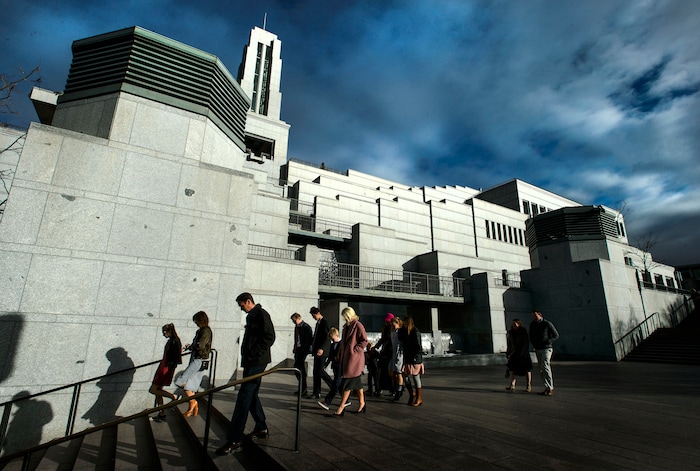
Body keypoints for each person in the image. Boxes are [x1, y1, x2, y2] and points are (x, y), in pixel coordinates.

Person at [216, 292, 276, 456]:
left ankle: (235, 439)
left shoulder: (261, 314)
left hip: (257, 362)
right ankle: (261, 426)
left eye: (242, 305)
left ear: (248, 301)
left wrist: (255, 353)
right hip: (251, 362)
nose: (241, 309)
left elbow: (270, 337)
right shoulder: (252, 316)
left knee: (244, 396)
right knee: (251, 394)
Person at [174, 311, 212, 417]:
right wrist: (190, 346)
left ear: (200, 320)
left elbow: (200, 345)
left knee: (180, 381)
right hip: (198, 358)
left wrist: (191, 347)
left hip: (199, 359)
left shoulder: (205, 331)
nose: (195, 323)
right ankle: (192, 407)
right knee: (191, 384)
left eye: (196, 321)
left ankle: (193, 402)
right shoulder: (201, 331)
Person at [332, 307, 368, 416]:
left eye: (345, 316)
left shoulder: (358, 325)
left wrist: (354, 350)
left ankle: (342, 407)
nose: (344, 319)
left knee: (347, 384)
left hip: (354, 360)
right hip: (347, 358)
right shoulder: (346, 326)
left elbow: (364, 340)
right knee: (357, 384)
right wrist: (340, 353)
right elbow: (343, 342)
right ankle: (362, 403)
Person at [149, 323, 182, 421]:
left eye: (165, 331)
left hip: (166, 368)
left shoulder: (174, 341)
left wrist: (169, 368)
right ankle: (162, 413)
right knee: (158, 391)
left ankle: (174, 397)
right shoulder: (173, 340)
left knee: (153, 389)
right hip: (164, 366)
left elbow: (175, 357)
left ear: (170, 331)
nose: (164, 334)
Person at [317, 327, 350, 410]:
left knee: (335, 384)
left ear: (336, 335)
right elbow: (330, 356)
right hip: (335, 366)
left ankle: (328, 401)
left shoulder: (342, 344)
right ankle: (346, 400)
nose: (332, 339)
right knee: (339, 385)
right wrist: (326, 364)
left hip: (340, 366)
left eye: (333, 337)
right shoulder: (333, 345)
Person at [529, 310, 559, 396]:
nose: (534, 318)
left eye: (535, 316)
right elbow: (531, 335)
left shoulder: (547, 324)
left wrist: (548, 341)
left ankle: (550, 387)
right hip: (538, 348)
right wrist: (534, 343)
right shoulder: (533, 324)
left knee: (545, 365)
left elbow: (556, 335)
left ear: (540, 315)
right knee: (541, 368)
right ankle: (546, 387)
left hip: (547, 348)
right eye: (533, 316)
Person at [398, 315, 424, 406]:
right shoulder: (405, 332)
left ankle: (418, 398)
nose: (403, 325)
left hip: (415, 358)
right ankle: (411, 394)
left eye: (404, 323)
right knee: (405, 376)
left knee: (415, 377)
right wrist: (400, 329)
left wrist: (416, 356)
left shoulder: (415, 331)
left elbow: (418, 346)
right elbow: (400, 338)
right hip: (408, 357)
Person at [310, 307, 334, 399]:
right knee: (316, 372)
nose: (313, 317)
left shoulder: (325, 322)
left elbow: (327, 337)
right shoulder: (318, 323)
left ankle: (333, 386)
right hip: (316, 351)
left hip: (322, 351)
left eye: (314, 315)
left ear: (318, 313)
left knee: (320, 371)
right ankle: (316, 392)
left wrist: (322, 348)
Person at [505, 319, 532, 393]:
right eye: (513, 324)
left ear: (519, 324)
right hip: (514, 353)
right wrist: (508, 353)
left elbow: (526, 343)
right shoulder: (511, 333)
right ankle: (512, 385)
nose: (514, 325)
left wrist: (523, 353)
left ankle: (528, 385)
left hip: (523, 354)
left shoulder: (523, 332)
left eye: (515, 323)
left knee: (527, 369)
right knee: (513, 369)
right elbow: (509, 344)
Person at [372, 313, 395, 396]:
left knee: (388, 372)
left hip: (389, 352)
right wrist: (377, 346)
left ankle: (391, 389)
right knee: (381, 371)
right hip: (385, 351)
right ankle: (380, 388)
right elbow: (383, 339)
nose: (386, 322)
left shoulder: (393, 329)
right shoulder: (386, 329)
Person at [290, 312, 313, 396]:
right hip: (298, 349)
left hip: (303, 350)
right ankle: (302, 388)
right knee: (297, 369)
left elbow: (308, 340)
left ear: (299, 318)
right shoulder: (297, 327)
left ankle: (303, 389)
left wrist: (304, 350)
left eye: (294, 320)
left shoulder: (306, 327)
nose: (294, 322)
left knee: (299, 369)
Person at [389, 316, 405, 401]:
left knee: (399, 373)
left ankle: (399, 390)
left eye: (394, 324)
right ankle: (398, 386)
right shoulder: (393, 332)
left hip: (399, 354)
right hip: (393, 354)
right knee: (391, 372)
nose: (393, 325)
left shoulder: (400, 332)